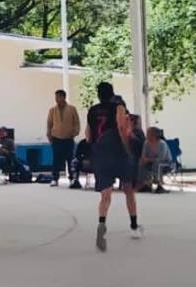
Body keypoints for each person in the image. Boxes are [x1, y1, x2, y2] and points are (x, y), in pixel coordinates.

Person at [87, 82, 142, 252]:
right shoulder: (118, 107)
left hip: (100, 153)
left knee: (105, 195)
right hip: (117, 152)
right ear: (112, 94)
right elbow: (121, 128)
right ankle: (133, 225)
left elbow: (88, 135)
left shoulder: (92, 111)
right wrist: (127, 149)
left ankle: (102, 224)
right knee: (128, 190)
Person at [46, 89, 80, 187]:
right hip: (56, 138)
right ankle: (54, 178)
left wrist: (74, 132)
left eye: (59, 97)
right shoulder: (52, 110)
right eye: (56, 97)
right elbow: (49, 124)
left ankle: (72, 178)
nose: (57, 99)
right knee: (56, 159)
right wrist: (49, 135)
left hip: (68, 138)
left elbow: (76, 122)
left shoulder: (72, 109)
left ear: (64, 97)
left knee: (70, 159)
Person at [137, 127, 172, 194]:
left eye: (148, 134)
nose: (146, 135)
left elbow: (161, 158)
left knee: (157, 164)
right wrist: (143, 159)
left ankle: (160, 186)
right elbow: (143, 155)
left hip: (166, 163)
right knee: (141, 162)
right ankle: (146, 184)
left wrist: (148, 159)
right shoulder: (146, 143)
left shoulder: (162, 144)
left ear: (154, 135)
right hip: (151, 162)